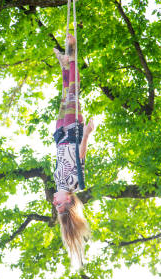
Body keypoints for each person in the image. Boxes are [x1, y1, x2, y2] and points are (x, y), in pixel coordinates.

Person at [52, 34, 94, 266]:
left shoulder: (58, 182)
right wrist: (87, 133)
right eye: (59, 205)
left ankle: (64, 64)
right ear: (69, 200)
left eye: (55, 205)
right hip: (73, 131)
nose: (55, 202)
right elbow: (80, 155)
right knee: (73, 91)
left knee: (64, 92)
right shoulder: (75, 184)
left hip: (60, 132)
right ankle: (72, 49)